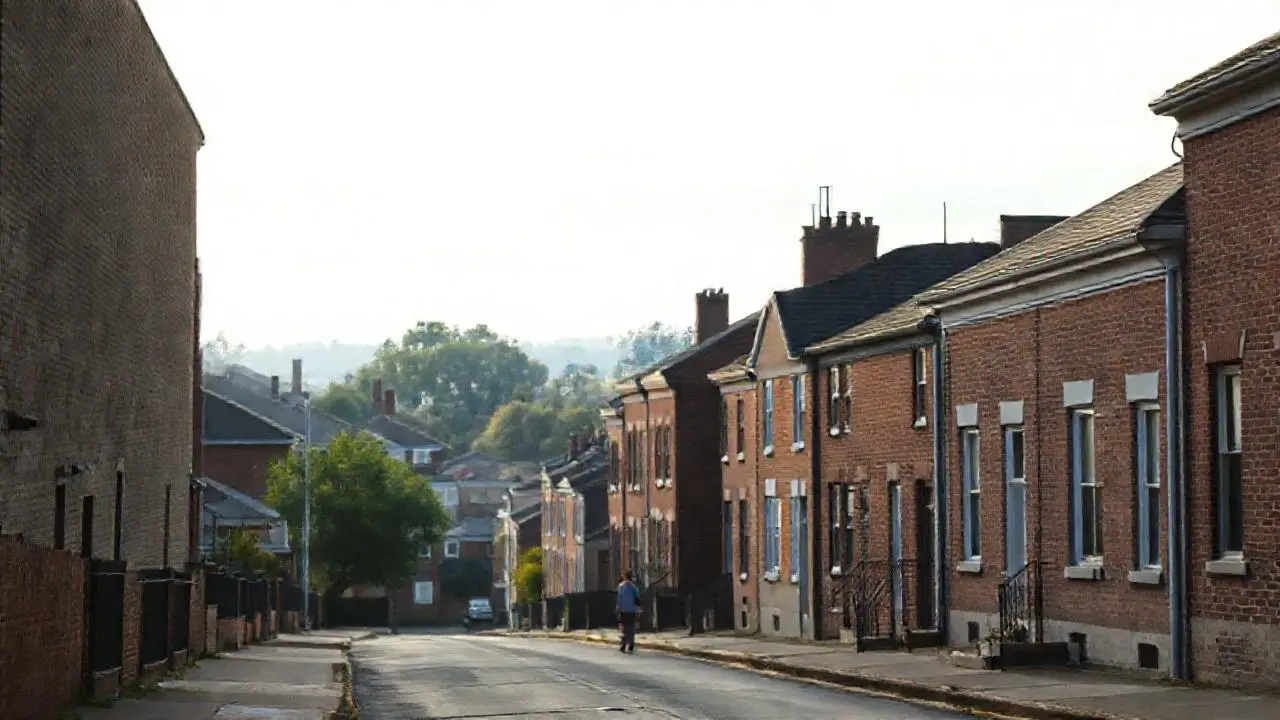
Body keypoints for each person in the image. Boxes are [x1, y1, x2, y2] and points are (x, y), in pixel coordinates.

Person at [616, 571, 640, 654]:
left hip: (623, 610)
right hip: (631, 610)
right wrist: (638, 607)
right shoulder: (633, 587)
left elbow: (619, 599)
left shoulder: (621, 586)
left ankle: (623, 645)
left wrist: (618, 609)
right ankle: (631, 645)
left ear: (625, 577)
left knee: (623, 628)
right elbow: (637, 597)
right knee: (631, 627)